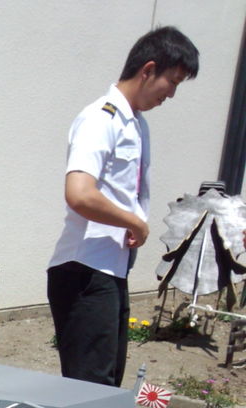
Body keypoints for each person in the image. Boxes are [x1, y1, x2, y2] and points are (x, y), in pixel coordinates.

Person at [47, 26, 199, 387]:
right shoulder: (101, 118)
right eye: (172, 82)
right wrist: (135, 222)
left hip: (110, 269)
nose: (171, 94)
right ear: (148, 70)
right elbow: (79, 193)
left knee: (107, 385)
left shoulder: (136, 124)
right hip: (84, 269)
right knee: (90, 389)